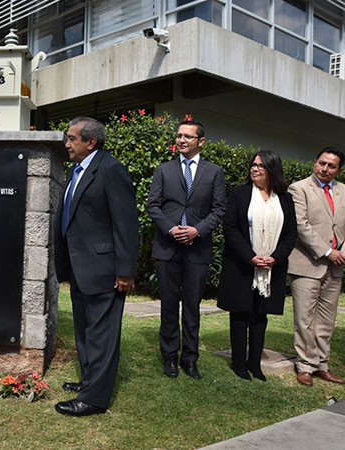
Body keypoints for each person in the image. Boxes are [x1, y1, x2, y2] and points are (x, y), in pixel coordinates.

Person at [54, 117, 139, 416]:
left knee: (102, 334)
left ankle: (94, 400)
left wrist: (125, 270)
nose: (67, 144)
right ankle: (89, 382)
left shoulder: (111, 169)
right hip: (80, 266)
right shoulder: (76, 170)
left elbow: (126, 223)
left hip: (104, 268)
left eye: (72, 139)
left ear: (91, 142)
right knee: (85, 330)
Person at [147, 119, 226, 379]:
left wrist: (197, 230)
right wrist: (172, 229)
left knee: (192, 306)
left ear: (200, 141)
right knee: (169, 305)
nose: (181, 140)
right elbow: (153, 206)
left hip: (197, 249)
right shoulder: (163, 170)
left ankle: (190, 359)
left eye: (188, 136)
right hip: (167, 248)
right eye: (179, 135)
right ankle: (169, 357)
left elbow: (219, 210)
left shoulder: (214, 172)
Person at [217, 150, 297, 381]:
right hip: (243, 265)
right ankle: (239, 363)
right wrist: (251, 256)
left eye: (261, 165)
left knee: (260, 316)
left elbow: (291, 234)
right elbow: (230, 228)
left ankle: (255, 363)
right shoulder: (239, 194)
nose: (255, 168)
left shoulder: (285, 198)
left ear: (272, 169)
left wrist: (275, 258)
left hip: (272, 268)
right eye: (253, 165)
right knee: (240, 314)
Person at [287, 147, 345, 386]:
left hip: (336, 266)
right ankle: (305, 365)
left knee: (327, 320)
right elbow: (300, 225)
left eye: (331, 166)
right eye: (322, 163)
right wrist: (329, 252)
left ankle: (321, 365)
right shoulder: (298, 188)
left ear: (339, 170)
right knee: (305, 318)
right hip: (307, 263)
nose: (325, 169)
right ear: (315, 162)